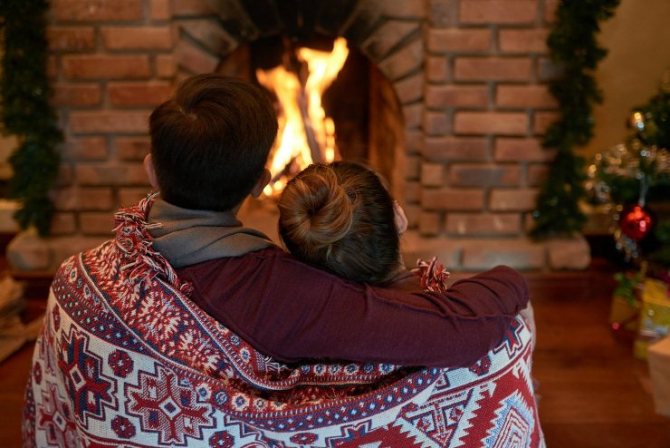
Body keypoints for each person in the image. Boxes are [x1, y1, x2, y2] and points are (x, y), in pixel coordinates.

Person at [24, 74, 543, 447]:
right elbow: (460, 330)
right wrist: (508, 280)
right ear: (260, 184)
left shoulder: (76, 278)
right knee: (508, 340)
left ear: (151, 170)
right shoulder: (284, 293)